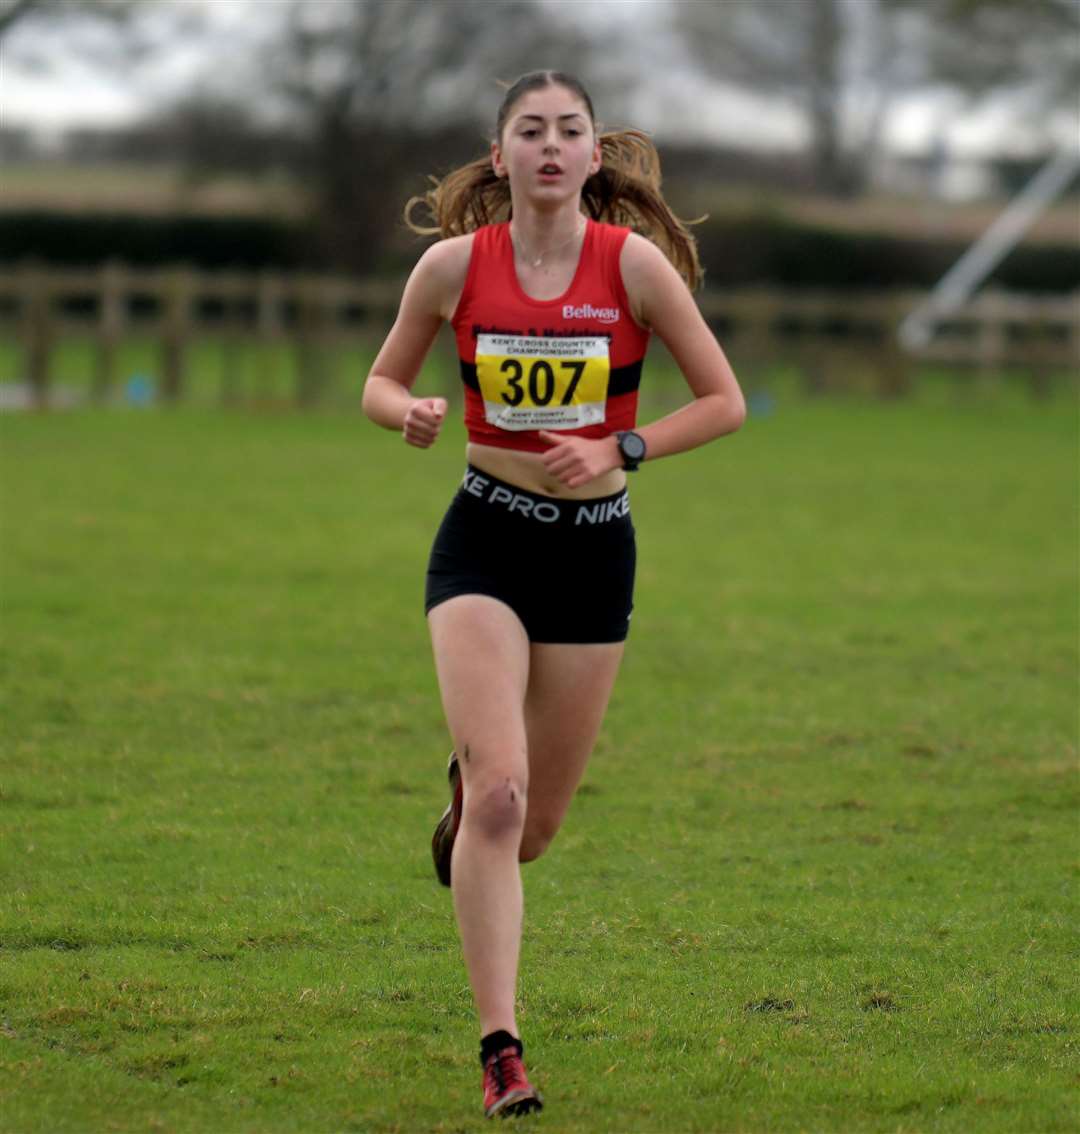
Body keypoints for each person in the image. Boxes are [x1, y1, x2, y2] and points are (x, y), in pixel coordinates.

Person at [362, 70, 745, 1120]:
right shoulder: (451, 268)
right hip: (484, 541)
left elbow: (725, 402)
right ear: (501, 157)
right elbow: (377, 380)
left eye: (568, 131)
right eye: (527, 130)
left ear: (591, 158)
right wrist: (411, 410)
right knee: (503, 796)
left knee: (529, 831)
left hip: (593, 553)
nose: (547, 145)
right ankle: (501, 1049)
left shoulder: (635, 269)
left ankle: (467, 799)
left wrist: (622, 443)